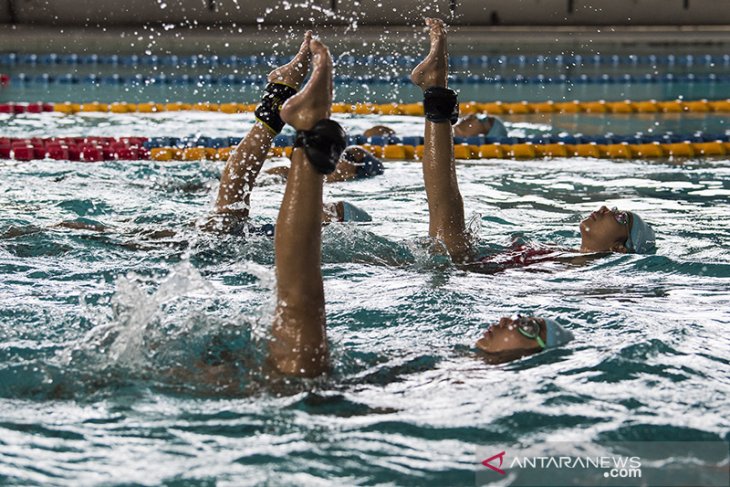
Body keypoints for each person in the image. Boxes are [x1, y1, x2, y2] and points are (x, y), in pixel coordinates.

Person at [410, 18, 656, 363]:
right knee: (446, 211)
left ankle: (437, 91)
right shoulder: (566, 253)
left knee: (447, 211)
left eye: (620, 217)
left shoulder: (588, 271)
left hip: (466, 274)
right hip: (468, 268)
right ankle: (435, 90)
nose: (604, 209)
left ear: (620, 247)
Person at [209, 31, 373, 233]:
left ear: (338, 222)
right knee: (228, 219)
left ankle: (279, 96)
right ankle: (278, 96)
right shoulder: (293, 229)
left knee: (228, 220)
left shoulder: (305, 235)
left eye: (332, 208)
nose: (322, 204)